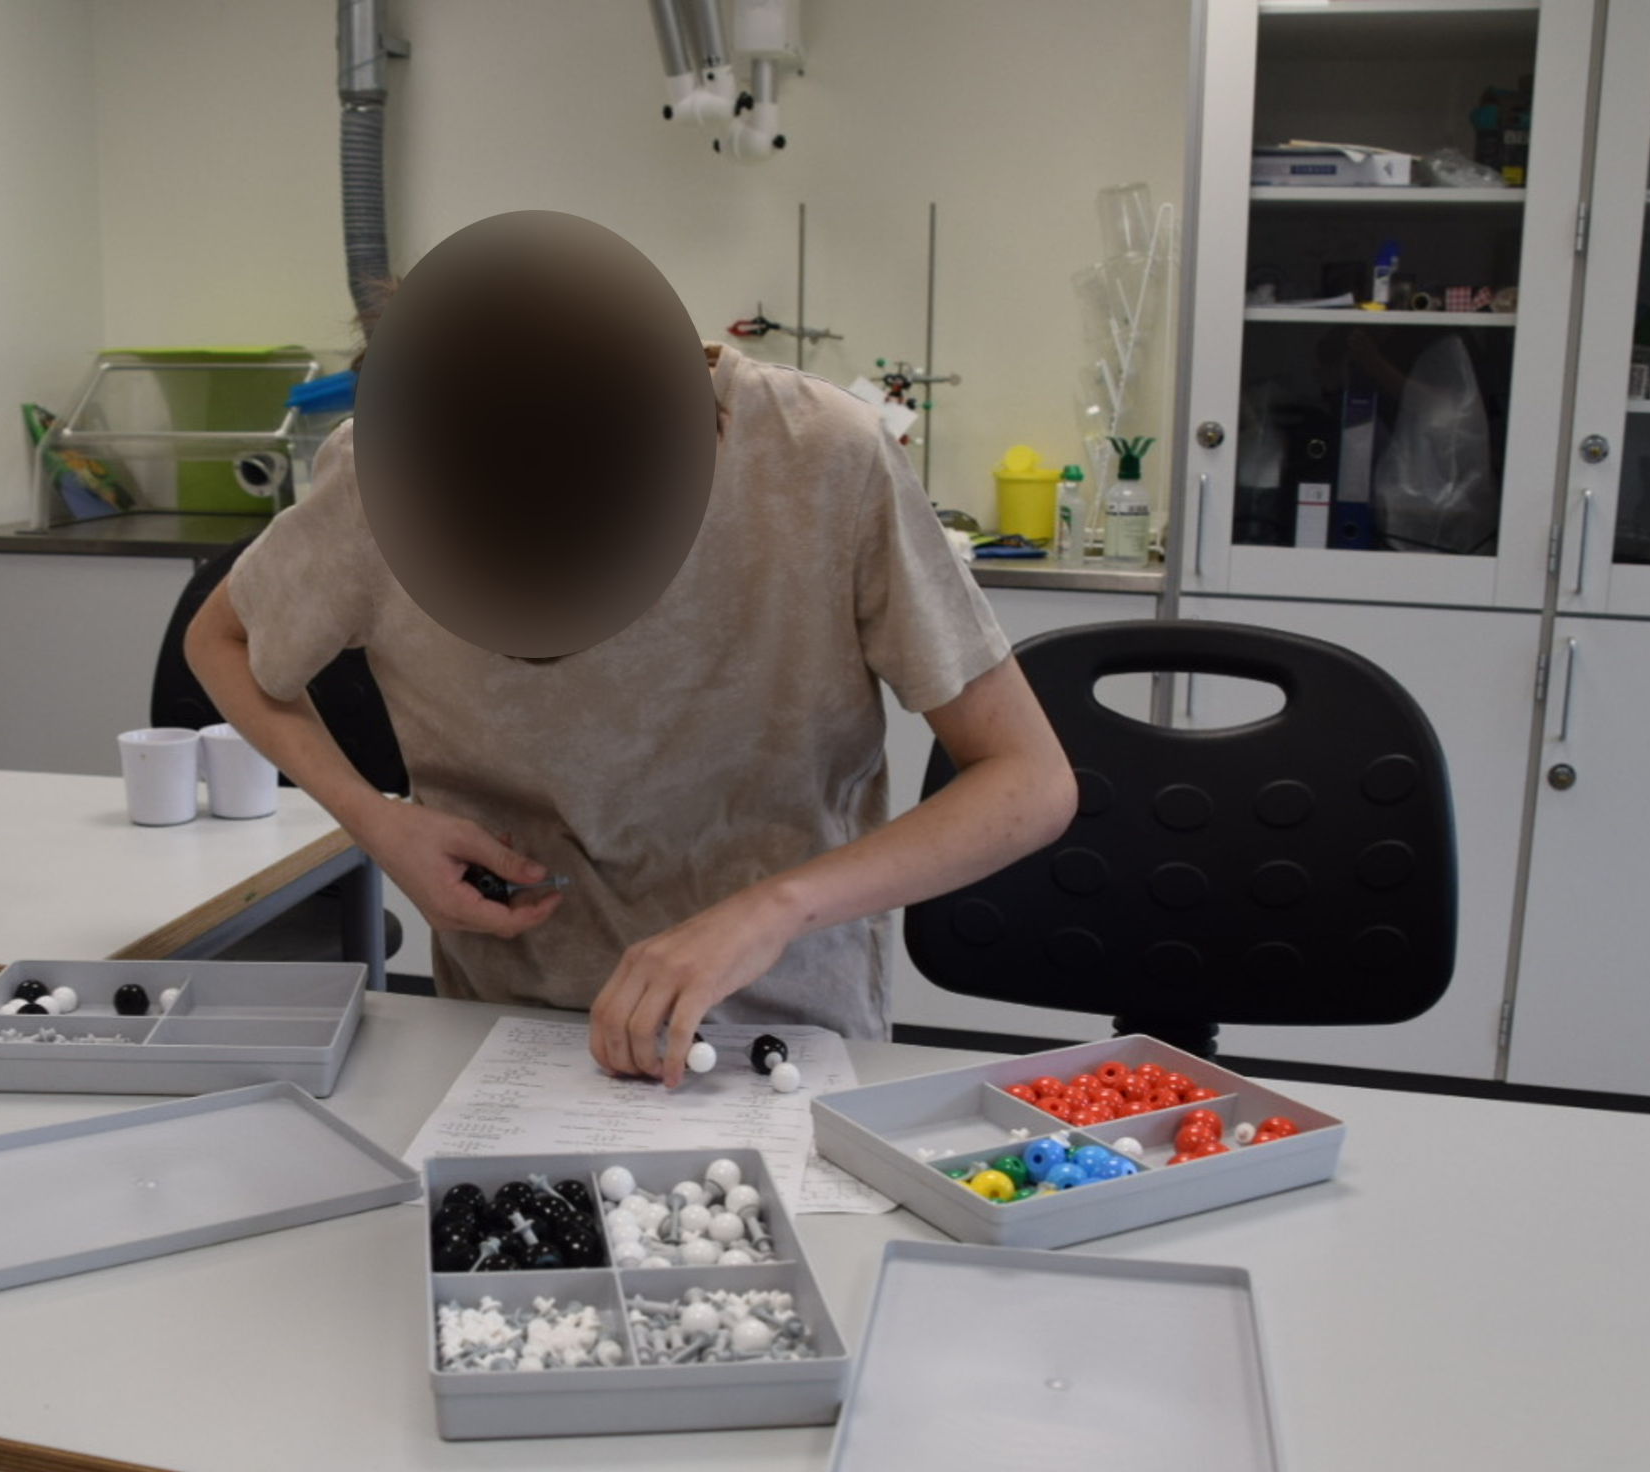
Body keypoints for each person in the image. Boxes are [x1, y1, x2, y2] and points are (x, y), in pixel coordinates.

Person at [185, 212, 1075, 1087]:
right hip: (501, 1027)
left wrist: (775, 907)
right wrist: (378, 824)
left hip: (780, 1027)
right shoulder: (391, 472)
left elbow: (1027, 780)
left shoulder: (820, 459)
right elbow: (220, 637)